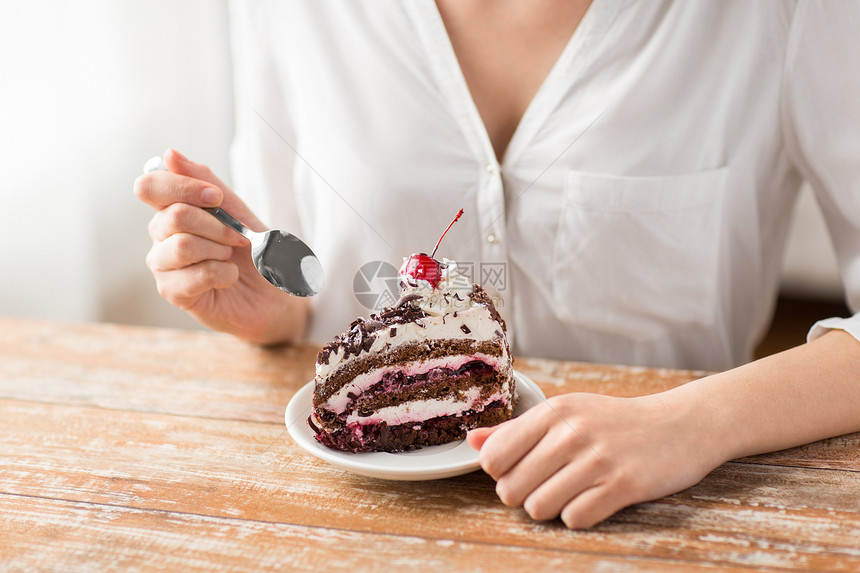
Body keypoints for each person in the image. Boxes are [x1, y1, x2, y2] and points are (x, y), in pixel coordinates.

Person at [134, 1, 860, 528]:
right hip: (358, 521)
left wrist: (694, 424)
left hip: (653, 521)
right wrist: (274, 310)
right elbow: (307, 290)